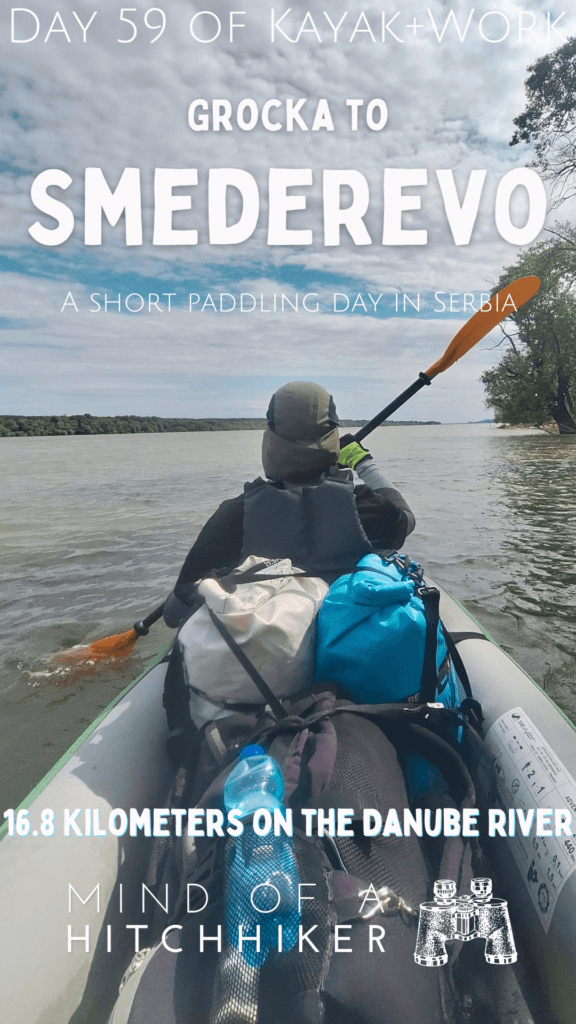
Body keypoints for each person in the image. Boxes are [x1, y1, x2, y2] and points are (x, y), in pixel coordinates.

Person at [164, 380, 415, 625]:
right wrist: (362, 462)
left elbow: (175, 613)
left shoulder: (236, 514)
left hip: (266, 657)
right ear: (332, 440)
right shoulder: (366, 506)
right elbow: (406, 517)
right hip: (346, 646)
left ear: (271, 440)